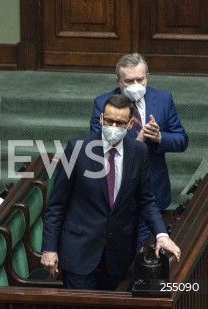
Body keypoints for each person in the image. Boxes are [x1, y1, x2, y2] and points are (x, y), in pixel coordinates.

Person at [41, 94, 181, 290]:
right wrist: (49, 248)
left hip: (117, 254)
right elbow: (57, 203)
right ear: (101, 119)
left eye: (120, 123)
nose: (113, 127)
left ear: (130, 124)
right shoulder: (78, 148)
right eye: (109, 121)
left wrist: (161, 234)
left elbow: (146, 201)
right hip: (79, 252)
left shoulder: (138, 152)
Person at [90, 53, 188, 249]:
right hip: (118, 194)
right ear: (118, 81)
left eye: (140, 79)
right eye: (129, 81)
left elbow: (181, 140)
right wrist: (137, 141)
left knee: (144, 253)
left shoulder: (163, 99)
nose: (135, 85)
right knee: (120, 252)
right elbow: (96, 148)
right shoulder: (103, 104)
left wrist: (159, 137)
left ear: (147, 77)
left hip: (152, 191)